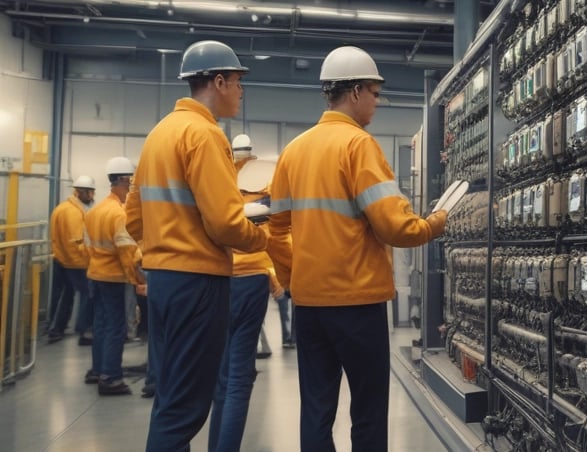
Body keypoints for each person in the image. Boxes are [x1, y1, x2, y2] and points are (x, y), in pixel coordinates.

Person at [267, 45, 448, 452]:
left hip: (310, 306)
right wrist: (436, 222)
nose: (377, 102)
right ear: (353, 92)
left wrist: (293, 280)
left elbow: (275, 232)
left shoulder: (293, 152)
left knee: (315, 409)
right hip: (357, 304)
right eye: (374, 92)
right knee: (367, 411)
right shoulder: (358, 146)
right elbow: (395, 227)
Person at [125, 40, 271, 451]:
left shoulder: (159, 134)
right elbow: (226, 223)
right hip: (198, 284)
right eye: (238, 82)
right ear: (219, 80)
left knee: (171, 399)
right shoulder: (204, 135)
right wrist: (261, 237)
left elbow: (133, 219)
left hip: (163, 282)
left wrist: (166, 245)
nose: (241, 91)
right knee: (187, 409)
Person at [206, 137, 284, 451]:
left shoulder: (217, 180)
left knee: (221, 378)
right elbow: (275, 235)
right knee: (239, 377)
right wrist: (277, 276)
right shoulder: (265, 182)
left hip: (219, 276)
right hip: (252, 277)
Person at [83, 157, 145, 396]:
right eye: (131, 181)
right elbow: (128, 253)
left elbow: (87, 246)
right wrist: (139, 280)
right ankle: (110, 378)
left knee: (100, 325)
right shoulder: (119, 214)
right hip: (114, 279)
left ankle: (97, 370)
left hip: (96, 275)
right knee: (116, 328)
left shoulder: (95, 210)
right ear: (124, 180)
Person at [48, 175, 96, 346]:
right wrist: (90, 259)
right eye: (90, 193)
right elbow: (77, 241)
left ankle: (56, 329)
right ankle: (85, 332)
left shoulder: (62, 208)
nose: (92, 197)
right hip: (76, 262)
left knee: (65, 296)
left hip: (61, 259)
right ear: (80, 192)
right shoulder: (74, 213)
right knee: (87, 295)